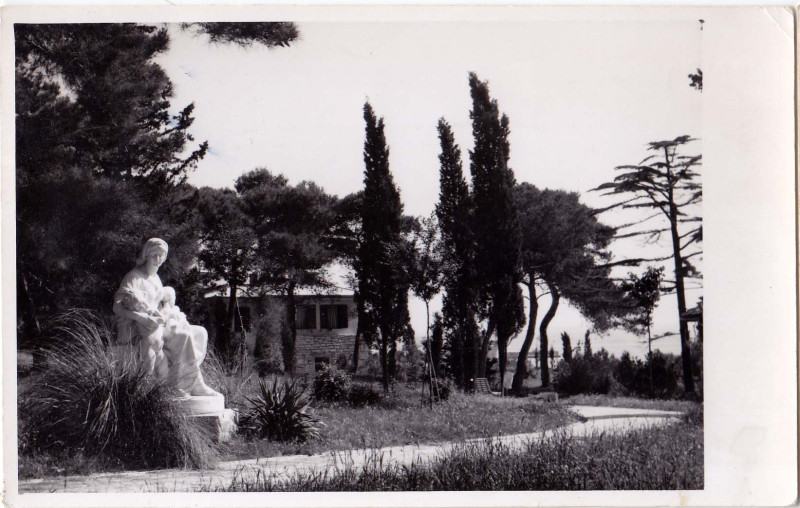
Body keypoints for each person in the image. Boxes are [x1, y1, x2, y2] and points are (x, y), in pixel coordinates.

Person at [113, 238, 219, 398]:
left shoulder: (155, 278)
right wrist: (141, 318)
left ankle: (196, 382)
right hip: (145, 327)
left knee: (200, 332)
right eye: (154, 255)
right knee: (184, 336)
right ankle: (181, 386)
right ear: (146, 255)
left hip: (160, 321)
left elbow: (161, 303)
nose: (158, 260)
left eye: (161, 256)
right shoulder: (134, 277)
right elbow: (117, 307)